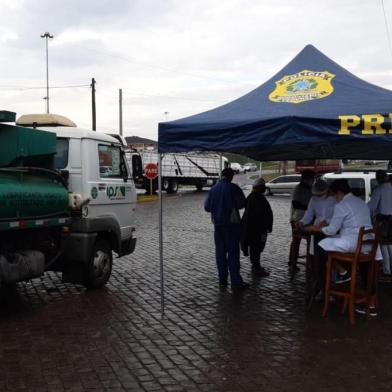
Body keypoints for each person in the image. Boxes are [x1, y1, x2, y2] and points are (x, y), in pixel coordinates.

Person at [309, 179, 381, 314]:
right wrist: (329, 222)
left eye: (335, 195)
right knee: (364, 266)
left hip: (353, 242)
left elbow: (331, 230)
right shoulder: (360, 202)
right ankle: (370, 302)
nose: (335, 198)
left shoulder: (341, 205)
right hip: (368, 244)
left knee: (321, 245)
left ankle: (333, 279)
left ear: (339, 193)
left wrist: (316, 228)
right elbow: (349, 218)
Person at [204, 168, 248, 291]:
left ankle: (222, 280)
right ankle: (236, 282)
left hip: (218, 226)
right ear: (231, 176)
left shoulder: (213, 189)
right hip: (232, 226)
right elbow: (242, 204)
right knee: (233, 253)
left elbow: (207, 207)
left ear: (222, 175)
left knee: (220, 253)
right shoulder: (233, 188)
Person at [241, 178, 273, 277]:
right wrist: (266, 226)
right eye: (263, 187)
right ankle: (256, 267)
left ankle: (256, 266)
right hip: (257, 230)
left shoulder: (252, 197)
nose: (264, 189)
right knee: (256, 248)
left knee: (256, 248)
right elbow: (259, 215)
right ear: (260, 188)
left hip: (254, 229)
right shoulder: (257, 198)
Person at [289, 170, 315, 270]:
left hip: (308, 219)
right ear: (306, 179)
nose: (312, 181)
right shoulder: (297, 189)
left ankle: (311, 261)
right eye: (312, 179)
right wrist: (309, 207)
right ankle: (292, 261)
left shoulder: (311, 189)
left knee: (309, 239)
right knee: (296, 241)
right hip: (297, 218)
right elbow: (296, 204)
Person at [368, 170, 392, 275]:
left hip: (383, 221)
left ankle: (386, 269)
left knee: (383, 244)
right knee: (390, 244)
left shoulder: (379, 190)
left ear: (378, 179)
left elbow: (372, 207)